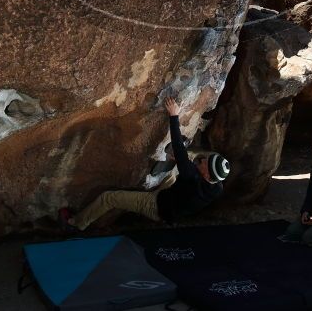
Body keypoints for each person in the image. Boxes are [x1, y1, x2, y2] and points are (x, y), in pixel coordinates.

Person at [62, 96, 229, 230]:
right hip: (173, 198)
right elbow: (189, 167)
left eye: (204, 163)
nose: (202, 161)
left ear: (206, 174)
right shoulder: (217, 187)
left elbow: (178, 147)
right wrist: (182, 161)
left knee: (109, 198)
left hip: (156, 206)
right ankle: (172, 170)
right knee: (178, 169)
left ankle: (77, 223)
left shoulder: (192, 176)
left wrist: (174, 115)